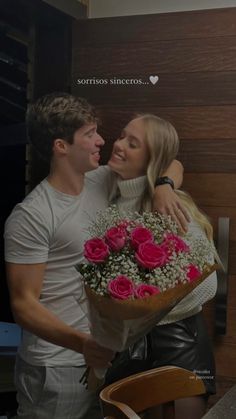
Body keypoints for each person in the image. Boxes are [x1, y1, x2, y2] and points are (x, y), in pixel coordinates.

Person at [4, 93, 186, 419]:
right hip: (55, 364)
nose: (101, 140)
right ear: (61, 146)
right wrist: (82, 344)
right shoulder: (32, 214)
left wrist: (164, 186)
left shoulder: (100, 180)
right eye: (89, 134)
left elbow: (170, 158)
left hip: (99, 362)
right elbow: (23, 305)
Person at [105, 114, 218, 419]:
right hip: (130, 351)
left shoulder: (169, 204)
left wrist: (145, 311)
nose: (118, 145)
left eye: (133, 143)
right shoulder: (109, 200)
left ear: (152, 159)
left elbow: (207, 284)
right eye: (120, 136)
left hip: (180, 347)